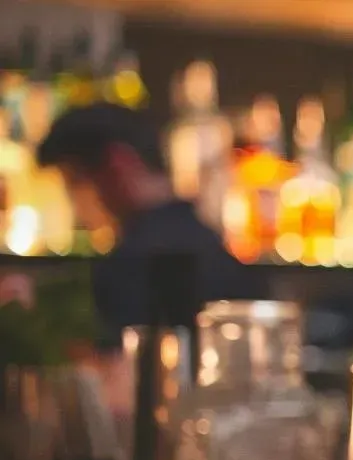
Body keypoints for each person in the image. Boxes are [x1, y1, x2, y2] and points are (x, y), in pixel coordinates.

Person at [36, 103, 263, 351]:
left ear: (118, 164)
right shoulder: (211, 245)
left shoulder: (131, 263)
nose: (74, 202)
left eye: (74, 181)